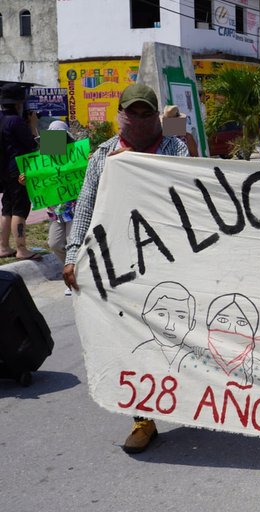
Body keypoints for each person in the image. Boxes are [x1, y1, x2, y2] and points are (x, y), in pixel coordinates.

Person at [63, 83, 189, 455]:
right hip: (119, 264)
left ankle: (199, 400)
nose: (136, 119)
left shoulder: (174, 148)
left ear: (156, 117)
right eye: (130, 112)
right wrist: (72, 255)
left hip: (169, 258)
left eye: (145, 113)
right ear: (120, 113)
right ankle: (142, 418)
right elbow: (85, 207)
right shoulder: (102, 156)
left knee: (180, 336)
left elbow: (191, 198)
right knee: (131, 341)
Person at [17, 121, 79, 292]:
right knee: (55, 243)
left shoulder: (76, 154)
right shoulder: (43, 158)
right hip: (56, 212)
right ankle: (70, 270)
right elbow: (38, 181)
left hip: (76, 209)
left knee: (74, 242)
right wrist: (26, 181)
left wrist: (88, 161)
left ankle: (74, 276)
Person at [0, 83, 40, 261]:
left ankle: (3, 247)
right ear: (18, 104)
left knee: (7, 209)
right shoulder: (16, 121)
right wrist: (33, 125)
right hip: (19, 172)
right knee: (20, 209)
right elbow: (32, 145)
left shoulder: (1, 119)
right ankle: (21, 249)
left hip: (4, 170)